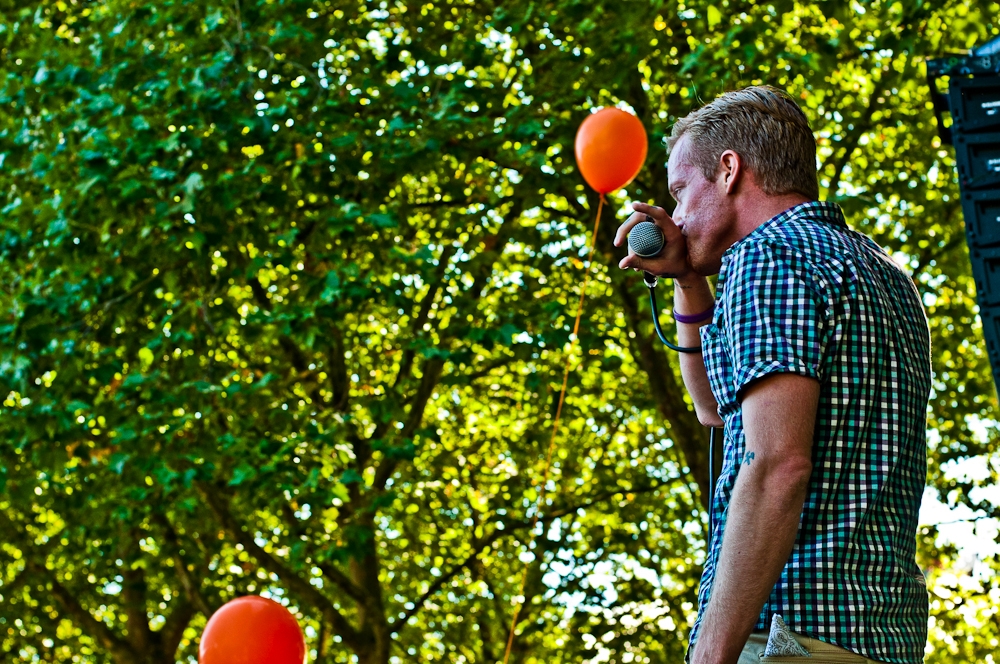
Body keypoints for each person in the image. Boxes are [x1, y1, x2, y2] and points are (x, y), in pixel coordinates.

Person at [614, 86, 931, 664]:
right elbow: (715, 407)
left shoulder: (769, 258)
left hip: (790, 640)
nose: (676, 217)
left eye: (681, 191)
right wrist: (689, 281)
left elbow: (777, 465)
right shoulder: (884, 274)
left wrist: (709, 656)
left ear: (729, 170)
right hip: (879, 639)